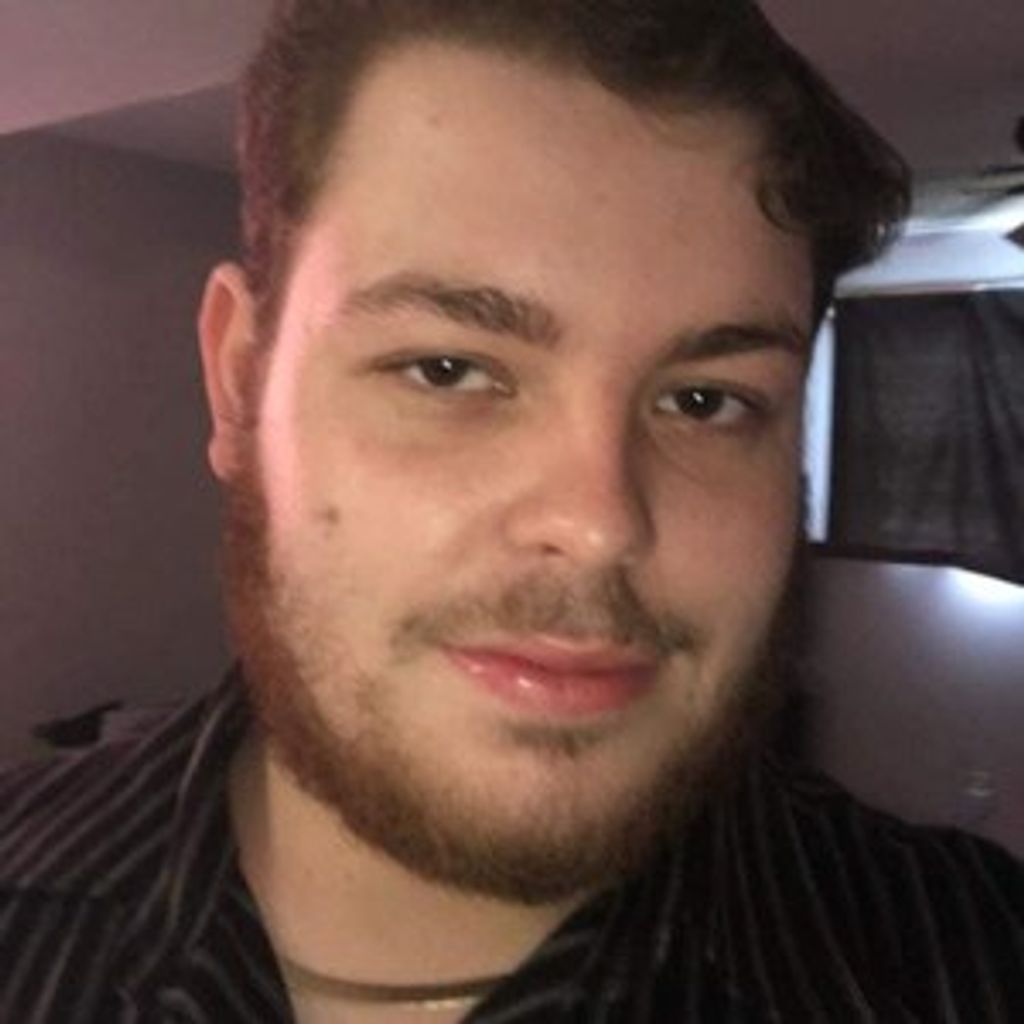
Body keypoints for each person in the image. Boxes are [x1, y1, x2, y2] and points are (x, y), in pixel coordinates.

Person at [2, 1, 1021, 1021]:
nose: (599, 523)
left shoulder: (967, 962)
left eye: (706, 401)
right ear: (238, 382)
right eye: (448, 369)